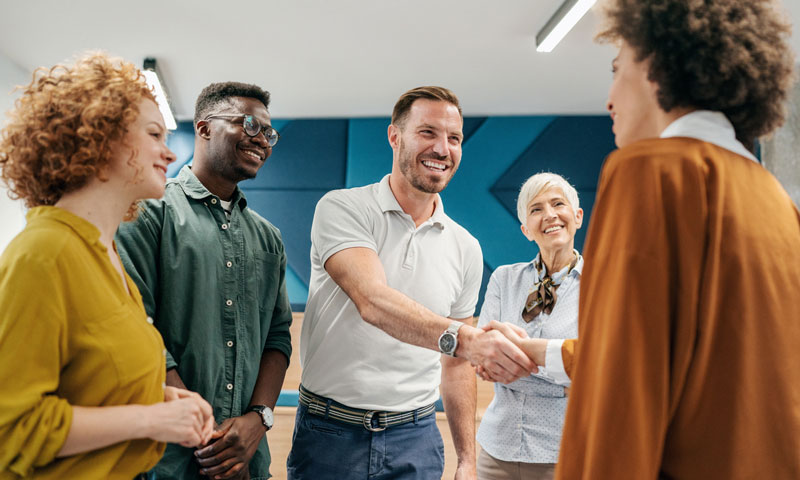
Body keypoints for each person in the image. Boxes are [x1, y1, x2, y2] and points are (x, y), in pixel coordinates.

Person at [487, 1, 800, 478]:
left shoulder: (649, 172)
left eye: (618, 70)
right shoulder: (779, 202)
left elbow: (620, 386)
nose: (610, 98)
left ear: (657, 66)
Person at [286, 86, 535, 480]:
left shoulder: (466, 247)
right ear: (394, 136)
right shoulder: (343, 208)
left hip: (415, 438)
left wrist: (467, 461)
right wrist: (470, 340)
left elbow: (455, 367)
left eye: (454, 138)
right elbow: (372, 300)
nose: (442, 148)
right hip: (329, 434)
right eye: (428, 132)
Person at [0, 52, 214, 479]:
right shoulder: (44, 253)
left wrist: (159, 400)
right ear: (99, 139)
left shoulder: (106, 256)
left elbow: (89, 382)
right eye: (154, 134)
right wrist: (151, 420)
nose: (169, 154)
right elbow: (12, 429)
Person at [116, 82, 293, 480]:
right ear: (204, 128)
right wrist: (209, 436)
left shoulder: (269, 237)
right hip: (165, 461)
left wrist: (257, 421)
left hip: (246, 460)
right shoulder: (146, 212)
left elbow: (278, 337)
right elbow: (133, 327)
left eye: (269, 132)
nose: (262, 140)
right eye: (249, 124)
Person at [475, 173, 582, 480]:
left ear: (577, 217)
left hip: (563, 452)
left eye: (557, 204)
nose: (548, 214)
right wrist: (560, 367)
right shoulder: (503, 278)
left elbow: (596, 367)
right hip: (497, 449)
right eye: (536, 209)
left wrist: (515, 355)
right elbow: (483, 358)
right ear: (525, 229)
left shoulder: (603, 284)